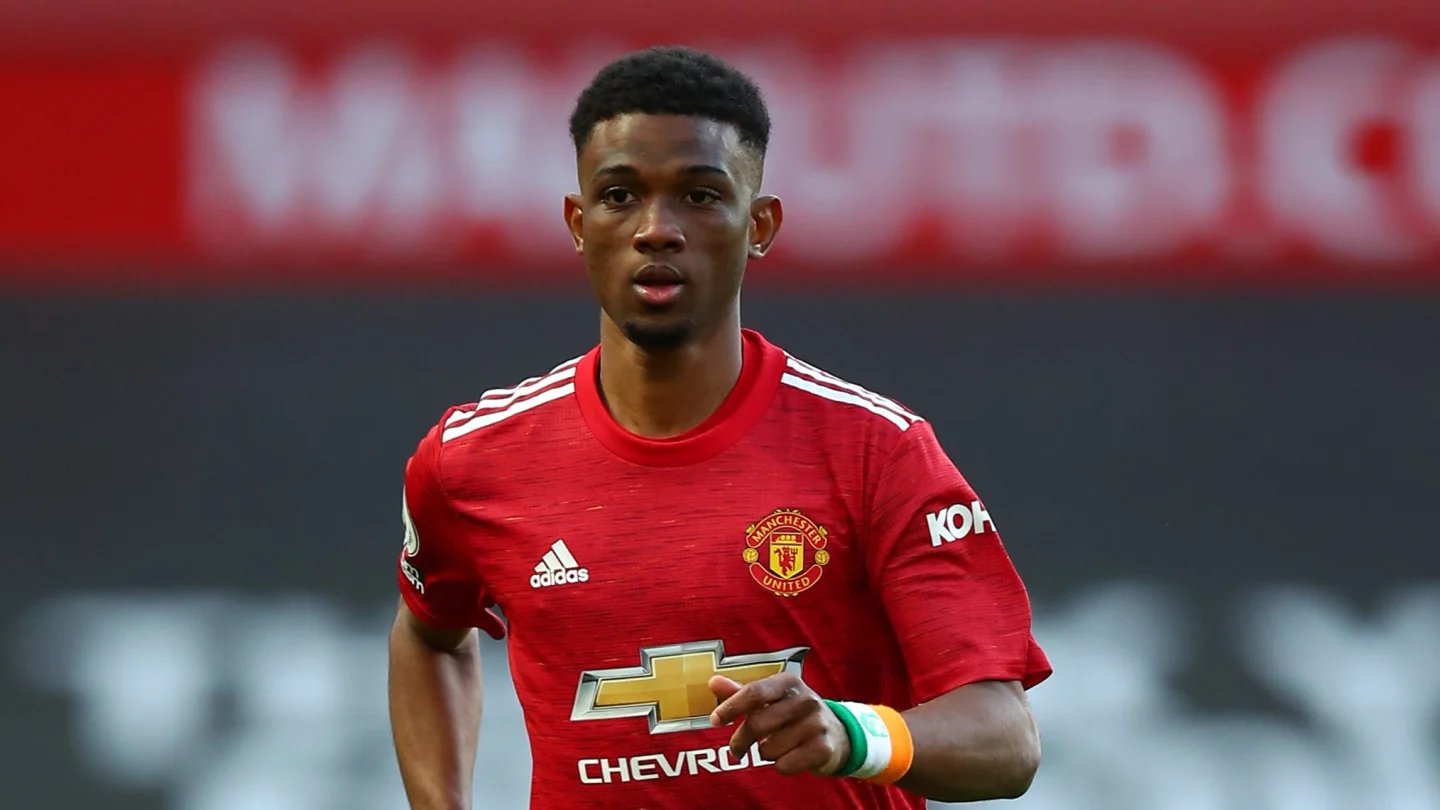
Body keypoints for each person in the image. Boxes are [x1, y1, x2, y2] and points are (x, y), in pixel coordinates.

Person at [388, 45, 1051, 810]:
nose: (656, 229)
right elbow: (429, 635)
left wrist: (853, 735)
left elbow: (1006, 740)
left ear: (759, 224)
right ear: (578, 223)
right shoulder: (471, 462)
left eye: (700, 196)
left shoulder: (877, 453)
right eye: (619, 196)